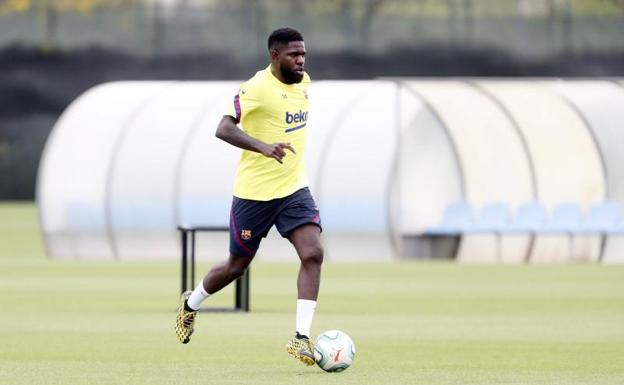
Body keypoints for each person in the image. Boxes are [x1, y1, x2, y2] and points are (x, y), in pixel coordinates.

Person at [174, 27, 323, 367]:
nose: (300, 60)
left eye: (303, 54)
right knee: (236, 266)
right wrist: (263, 147)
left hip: (293, 189)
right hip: (254, 195)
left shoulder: (304, 83)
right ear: (274, 56)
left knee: (313, 253)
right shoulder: (256, 88)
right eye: (293, 55)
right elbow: (223, 127)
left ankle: (300, 338)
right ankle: (191, 303)